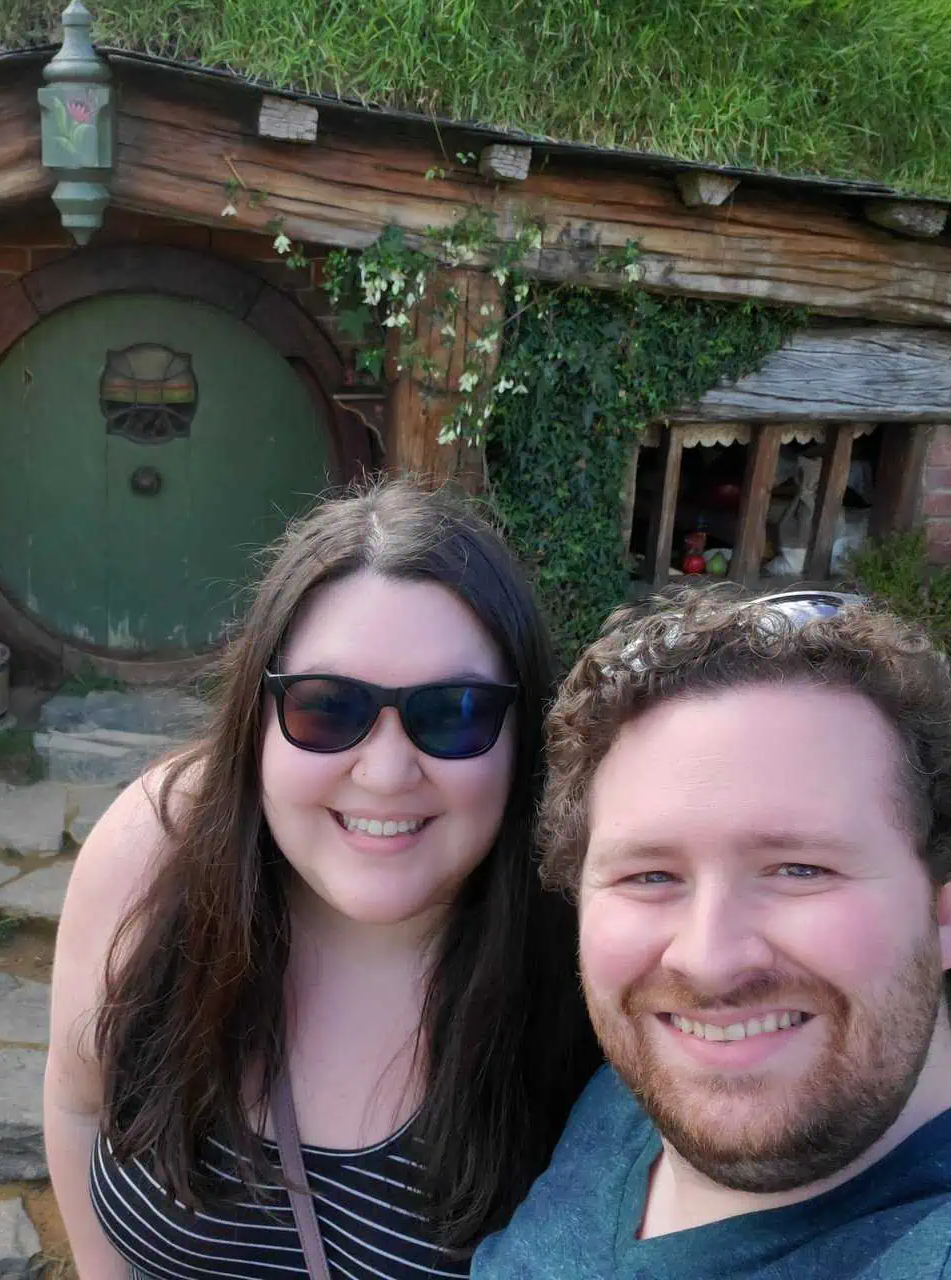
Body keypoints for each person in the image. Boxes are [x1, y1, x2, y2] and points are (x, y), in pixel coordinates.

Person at [45, 478, 601, 1279]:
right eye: (326, 708)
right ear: (258, 719)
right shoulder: (151, 854)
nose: (383, 773)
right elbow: (75, 1103)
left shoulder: (589, 951)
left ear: (522, 737)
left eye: (454, 712)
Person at [474, 586, 951, 1280]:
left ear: (944, 906)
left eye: (799, 868)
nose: (707, 962)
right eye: (649, 876)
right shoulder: (638, 1085)